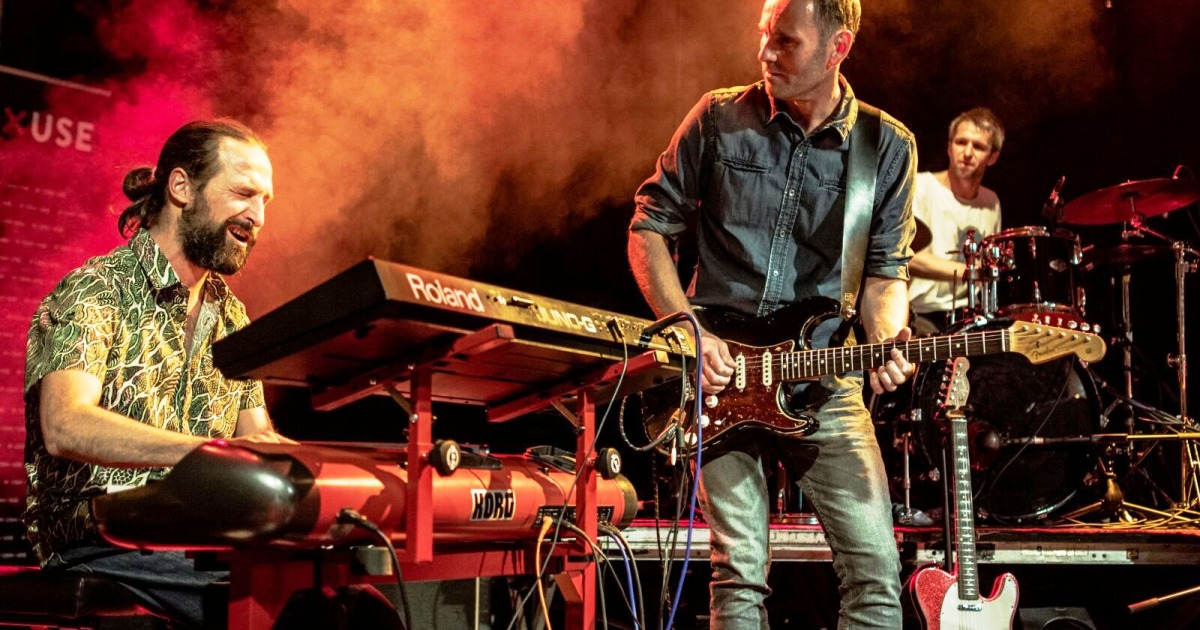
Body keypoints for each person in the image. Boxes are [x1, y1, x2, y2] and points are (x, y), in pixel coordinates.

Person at [627, 0, 917, 626]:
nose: (765, 52)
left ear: (838, 48)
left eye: (785, 41)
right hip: (717, 375)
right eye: (764, 35)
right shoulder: (717, 116)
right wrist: (686, 331)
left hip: (822, 382)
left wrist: (889, 338)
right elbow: (648, 227)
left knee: (876, 576)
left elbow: (885, 273)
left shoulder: (886, 147)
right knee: (738, 573)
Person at [23, 119, 292, 628]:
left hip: (193, 544)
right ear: (182, 187)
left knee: (354, 600)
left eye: (265, 202)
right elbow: (65, 424)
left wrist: (329, 473)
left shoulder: (232, 318)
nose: (257, 216)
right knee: (288, 610)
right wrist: (208, 454)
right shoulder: (96, 289)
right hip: (99, 544)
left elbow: (256, 439)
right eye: (243, 193)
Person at [907, 107, 1004, 336]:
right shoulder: (921, 187)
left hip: (970, 315)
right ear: (949, 148)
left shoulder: (991, 201)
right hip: (922, 313)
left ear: (993, 157)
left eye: (978, 146)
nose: (967, 152)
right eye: (961, 142)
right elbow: (906, 257)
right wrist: (968, 272)